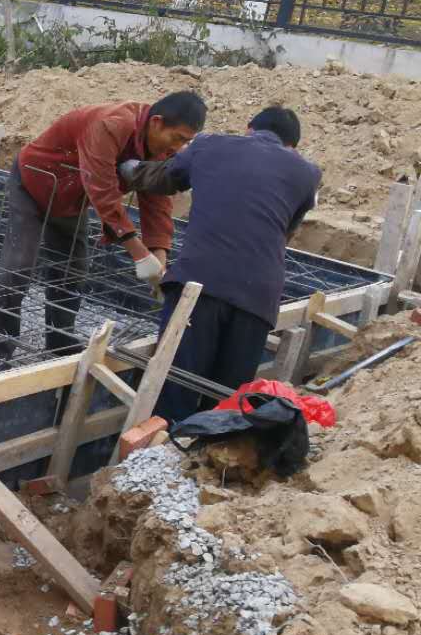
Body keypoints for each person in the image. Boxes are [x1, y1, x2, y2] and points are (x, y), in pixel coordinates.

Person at [121, 106, 322, 424]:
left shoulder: (208, 145)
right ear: (292, 146)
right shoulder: (308, 174)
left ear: (249, 128)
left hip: (199, 285)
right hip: (259, 299)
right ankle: (211, 452)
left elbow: (160, 178)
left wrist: (125, 167)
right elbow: (285, 232)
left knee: (175, 389)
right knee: (227, 402)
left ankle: (161, 448)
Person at [0, 92, 207, 362]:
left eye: (186, 142)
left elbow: (156, 203)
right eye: (178, 138)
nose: (179, 148)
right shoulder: (112, 124)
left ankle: (59, 342)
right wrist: (139, 254)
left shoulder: (160, 148)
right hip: (33, 183)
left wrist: (159, 262)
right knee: (19, 267)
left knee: (72, 269)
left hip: (69, 198)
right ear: (157, 122)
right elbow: (102, 189)